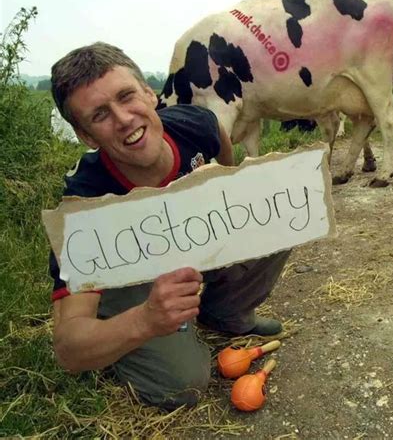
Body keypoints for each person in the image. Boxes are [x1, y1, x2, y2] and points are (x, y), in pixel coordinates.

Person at [48, 42, 290, 410]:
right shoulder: (85, 204)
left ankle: (226, 312)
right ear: (86, 136)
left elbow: (222, 142)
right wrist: (145, 321)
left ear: (149, 93)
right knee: (183, 386)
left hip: (188, 241)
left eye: (126, 96)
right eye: (100, 115)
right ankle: (147, 326)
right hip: (134, 276)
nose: (124, 118)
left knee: (281, 214)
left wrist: (228, 180)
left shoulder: (196, 124)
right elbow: (68, 348)